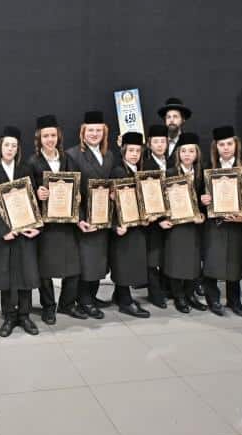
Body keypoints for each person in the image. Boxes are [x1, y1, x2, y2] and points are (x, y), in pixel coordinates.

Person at [29, 114, 84, 323]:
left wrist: (78, 196)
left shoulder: (67, 159)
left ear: (58, 136)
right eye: (46, 136)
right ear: (39, 138)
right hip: (46, 225)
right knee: (46, 269)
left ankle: (67, 304)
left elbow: (77, 186)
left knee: (73, 267)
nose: (50, 139)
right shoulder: (32, 162)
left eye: (53, 135)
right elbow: (27, 192)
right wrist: (37, 192)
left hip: (67, 223)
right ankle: (48, 307)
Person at [0, 126, 41, 337]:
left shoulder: (25, 169)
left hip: (25, 230)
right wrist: (3, 230)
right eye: (7, 145)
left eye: (14, 146)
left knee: (26, 274)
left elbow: (33, 200)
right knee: (6, 276)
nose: (10, 149)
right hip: (5, 234)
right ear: (0, 146)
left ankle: (25, 315)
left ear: (18, 149)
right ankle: (9, 316)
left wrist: (35, 226)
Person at [66, 110, 116, 317]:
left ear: (104, 132)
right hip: (85, 217)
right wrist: (78, 218)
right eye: (90, 130)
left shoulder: (109, 155)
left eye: (98, 131)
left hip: (104, 216)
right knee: (87, 260)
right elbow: (70, 191)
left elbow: (111, 182)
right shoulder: (73, 155)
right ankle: (84, 299)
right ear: (82, 132)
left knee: (99, 260)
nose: (94, 134)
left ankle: (92, 296)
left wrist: (113, 193)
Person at [200, 126, 242, 316]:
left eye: (229, 144)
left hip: (237, 224)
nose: (226, 148)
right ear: (216, 147)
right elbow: (196, 194)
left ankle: (234, 301)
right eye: (222, 144)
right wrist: (203, 200)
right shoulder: (207, 168)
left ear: (236, 145)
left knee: (234, 263)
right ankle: (213, 299)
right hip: (214, 225)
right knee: (212, 262)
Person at [158, 132, 208, 313]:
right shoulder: (170, 173)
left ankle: (190, 294)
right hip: (175, 226)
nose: (187, 154)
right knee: (176, 260)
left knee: (193, 262)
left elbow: (205, 200)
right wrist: (162, 220)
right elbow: (160, 200)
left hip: (194, 225)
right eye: (184, 151)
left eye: (191, 151)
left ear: (197, 153)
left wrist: (203, 214)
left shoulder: (203, 174)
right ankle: (179, 296)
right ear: (178, 153)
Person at [108, 131, 152, 318]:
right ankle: (126, 302)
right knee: (123, 263)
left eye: (138, 151)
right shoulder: (118, 171)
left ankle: (119, 295)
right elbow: (112, 203)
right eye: (131, 150)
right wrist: (115, 225)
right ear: (123, 151)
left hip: (137, 225)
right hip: (123, 227)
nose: (134, 154)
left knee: (131, 262)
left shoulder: (139, 170)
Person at [141, 124, 171, 308]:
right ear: (149, 144)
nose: (160, 145)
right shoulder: (145, 165)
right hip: (153, 221)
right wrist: (159, 220)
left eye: (163, 141)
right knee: (152, 259)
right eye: (156, 141)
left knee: (167, 256)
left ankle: (166, 288)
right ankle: (155, 293)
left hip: (172, 219)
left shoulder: (173, 163)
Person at [158, 97, 192, 163]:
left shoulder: (189, 142)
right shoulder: (156, 142)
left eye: (175, 116)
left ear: (183, 119)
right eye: (168, 117)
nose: (171, 120)